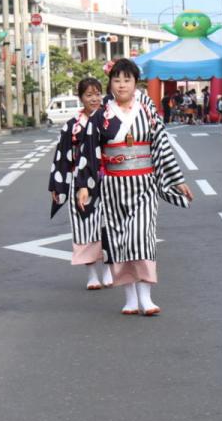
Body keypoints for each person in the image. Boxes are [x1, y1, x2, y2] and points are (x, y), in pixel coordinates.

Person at [74, 59, 193, 315]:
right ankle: (130, 298)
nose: (121, 85)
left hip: (144, 184)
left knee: (141, 237)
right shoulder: (101, 115)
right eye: (116, 80)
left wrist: (177, 179)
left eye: (127, 80)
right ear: (110, 84)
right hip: (113, 187)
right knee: (118, 240)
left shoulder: (147, 111)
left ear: (135, 83)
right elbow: (89, 153)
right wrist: (84, 186)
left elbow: (162, 147)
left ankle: (146, 297)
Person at [50, 77, 113, 291]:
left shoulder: (109, 120)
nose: (94, 99)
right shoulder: (71, 126)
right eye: (89, 95)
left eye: (97, 94)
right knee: (84, 226)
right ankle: (92, 274)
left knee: (107, 224)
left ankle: (107, 269)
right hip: (79, 182)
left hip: (106, 178)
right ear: (80, 98)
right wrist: (58, 186)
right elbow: (62, 157)